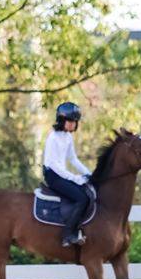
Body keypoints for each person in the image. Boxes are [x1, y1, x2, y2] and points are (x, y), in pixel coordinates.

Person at [42, 101, 93, 247]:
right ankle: (68, 235)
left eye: (75, 121)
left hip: (62, 174)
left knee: (87, 192)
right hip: (53, 176)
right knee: (81, 198)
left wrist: (89, 174)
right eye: (69, 121)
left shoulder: (68, 137)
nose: (72, 124)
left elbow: (73, 159)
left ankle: (78, 230)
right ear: (61, 120)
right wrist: (76, 178)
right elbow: (54, 165)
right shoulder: (53, 137)